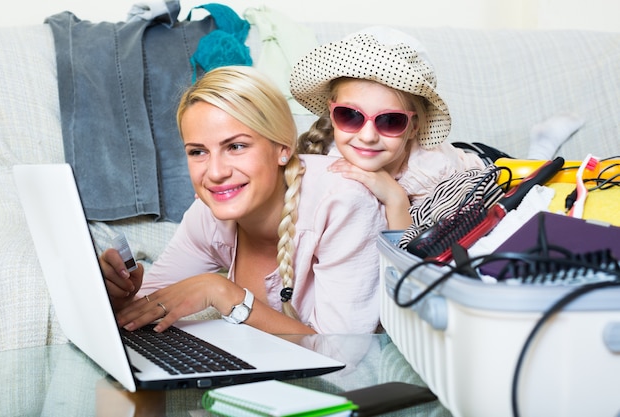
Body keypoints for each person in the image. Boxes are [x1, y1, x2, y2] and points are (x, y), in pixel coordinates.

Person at [99, 65, 387, 335]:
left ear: (282, 148)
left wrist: (222, 292)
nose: (214, 173)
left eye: (236, 146)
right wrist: (118, 296)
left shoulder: (343, 204)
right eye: (198, 152)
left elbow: (345, 358)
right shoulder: (208, 212)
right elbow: (147, 307)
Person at [289, 26, 487, 230]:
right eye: (350, 115)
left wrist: (396, 198)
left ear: (414, 127)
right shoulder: (330, 157)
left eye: (390, 121)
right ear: (332, 113)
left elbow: (415, 253)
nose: (367, 137)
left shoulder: (432, 172)